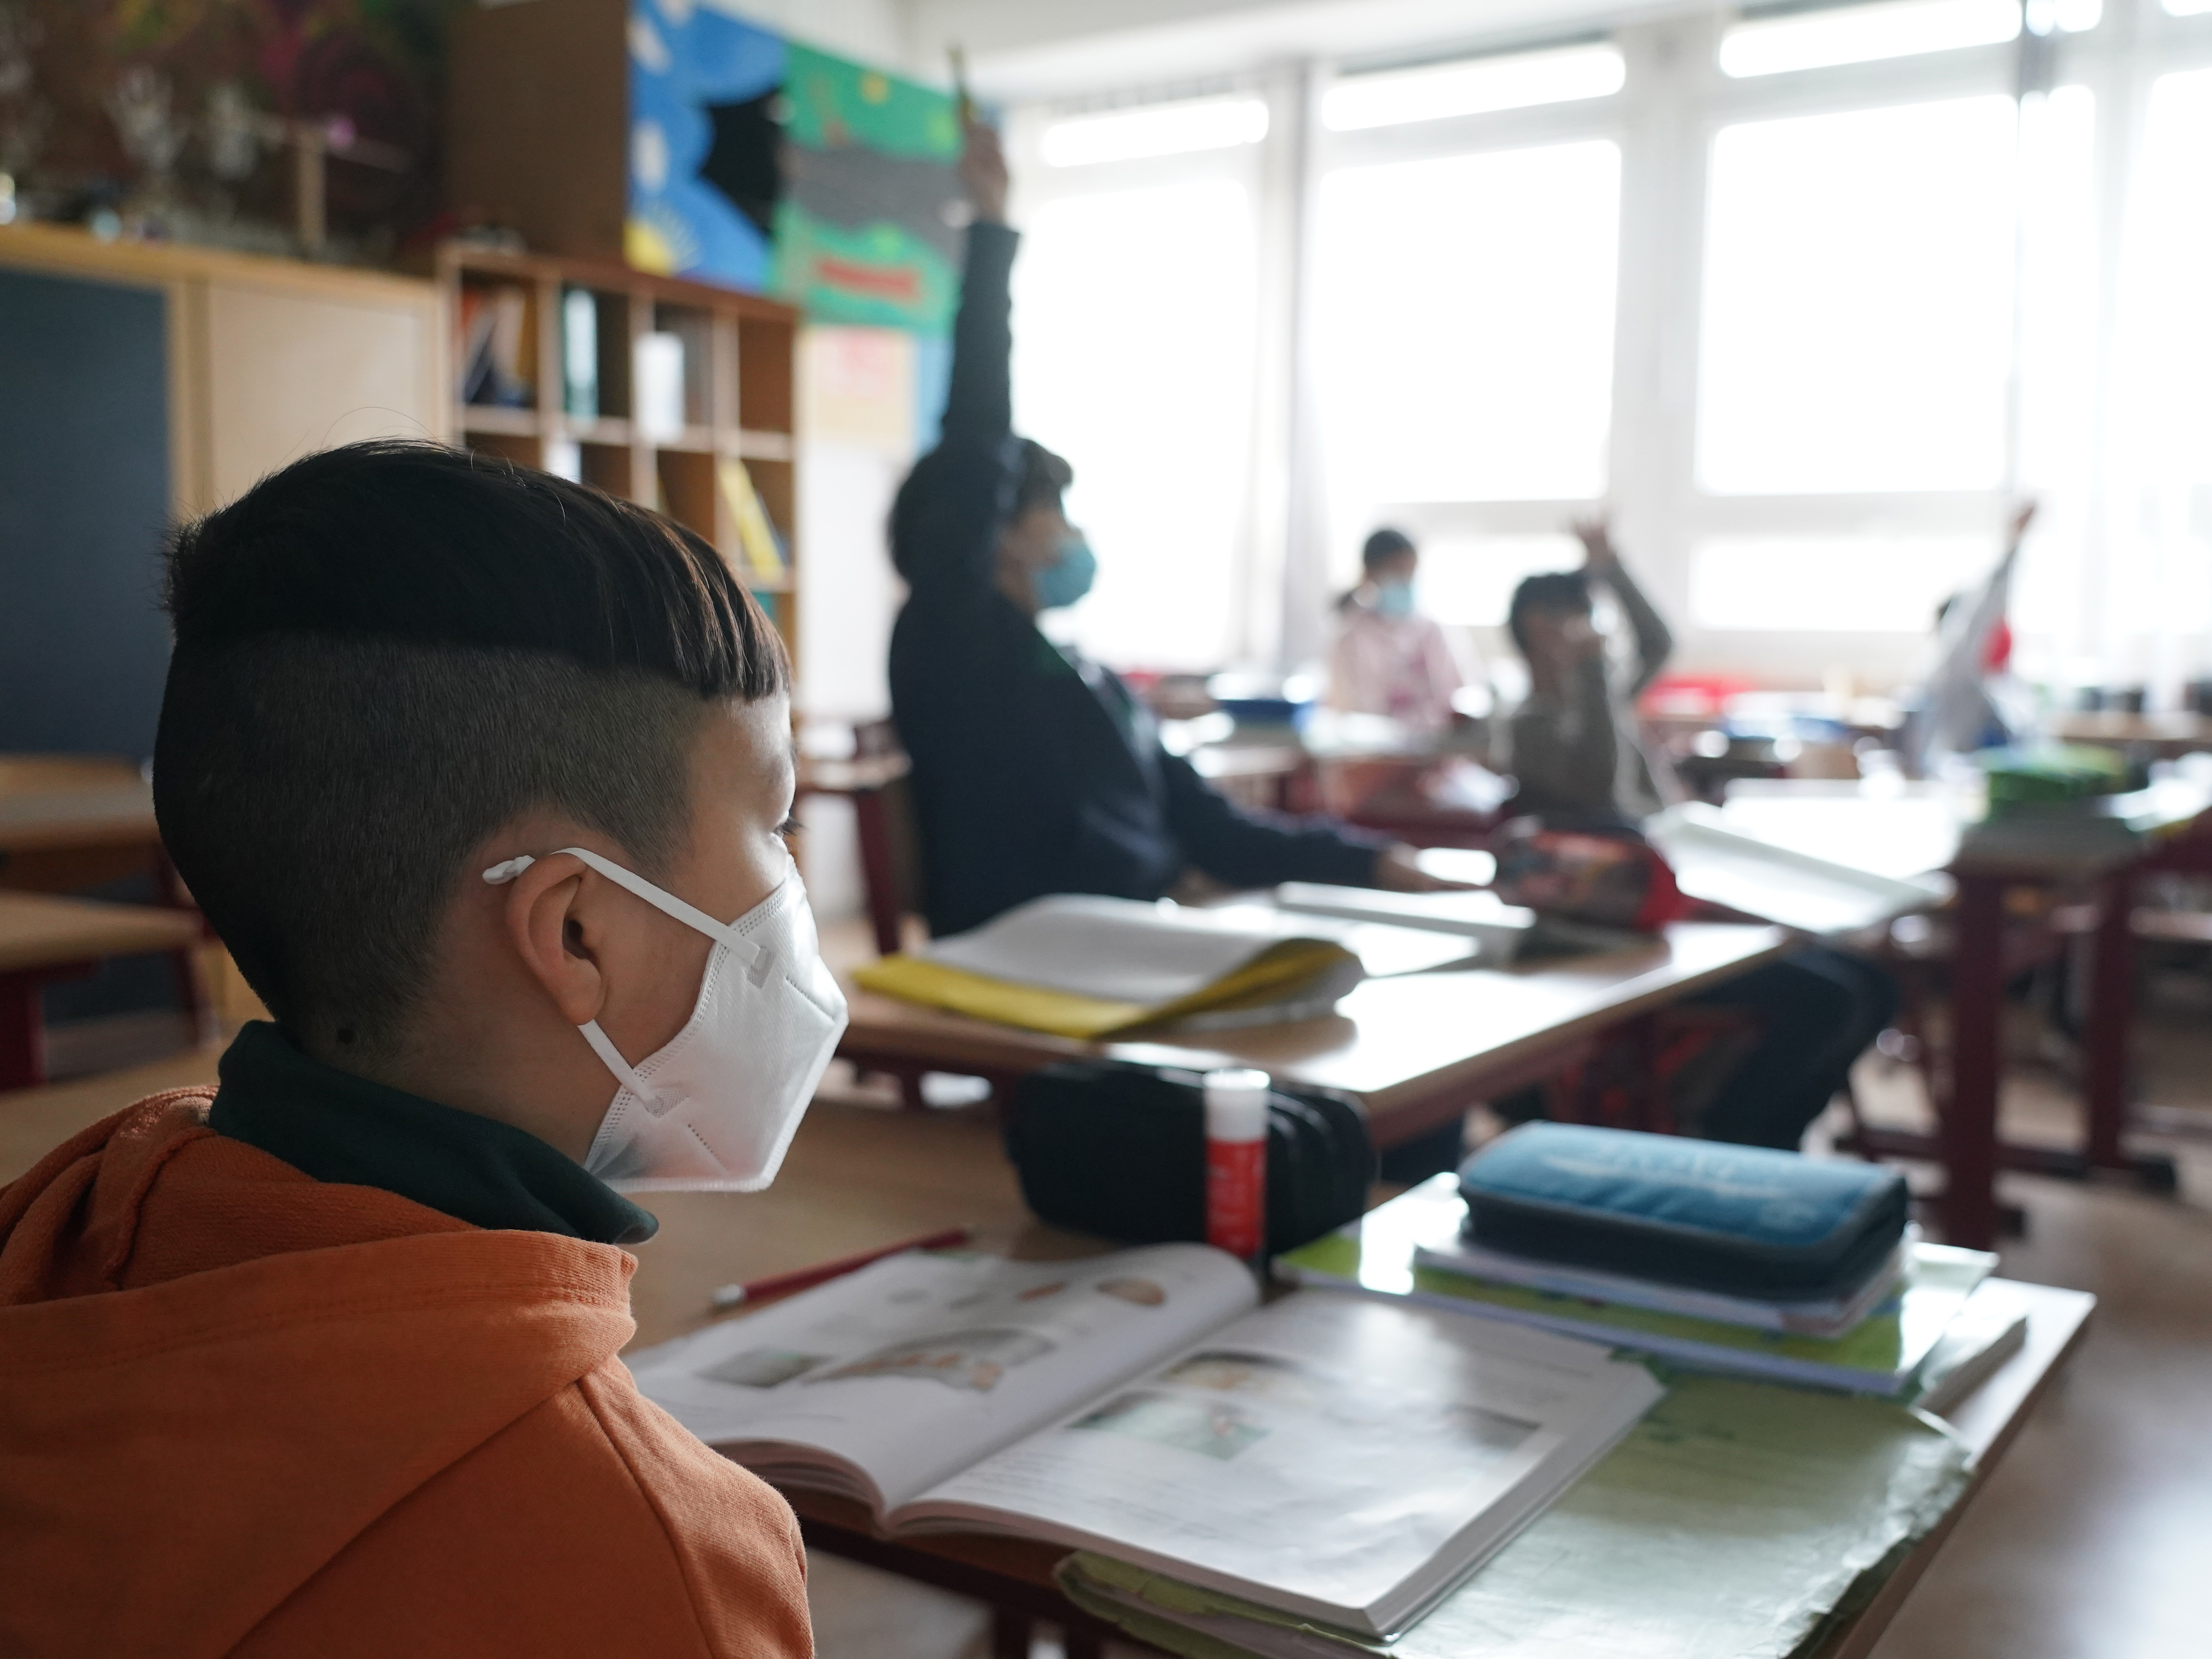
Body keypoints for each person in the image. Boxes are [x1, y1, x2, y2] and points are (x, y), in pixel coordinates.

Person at [0, 442, 826, 1655]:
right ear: (576, 930)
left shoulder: (58, 1230)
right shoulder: (656, 1559)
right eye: (776, 818)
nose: (793, 885)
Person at [888, 120, 1449, 938]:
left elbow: (1215, 829)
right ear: (999, 531)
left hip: (1146, 936)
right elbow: (977, 440)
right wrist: (993, 231)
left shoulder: (1088, 678)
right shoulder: (952, 636)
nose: (1073, 535)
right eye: (1057, 513)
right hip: (1042, 957)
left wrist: (1371, 862)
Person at [1497, 517, 1897, 1150]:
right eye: (1573, 621)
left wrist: (1611, 566)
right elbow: (1600, 782)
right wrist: (1593, 675)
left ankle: (1775, 1136)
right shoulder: (1527, 723)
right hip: (1638, 922)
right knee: (1830, 1000)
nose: (1592, 634)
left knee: (1875, 983)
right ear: (1535, 631)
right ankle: (1734, 1134)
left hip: (1691, 896)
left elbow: (1657, 642)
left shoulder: (1604, 691)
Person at [1326, 527, 1465, 734]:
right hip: (1370, 758)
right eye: (1398, 573)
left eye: (1410, 574)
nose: (1406, 583)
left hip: (1434, 753)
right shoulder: (1351, 637)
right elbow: (1346, 713)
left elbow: (1454, 698)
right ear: (1370, 574)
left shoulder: (1431, 631)